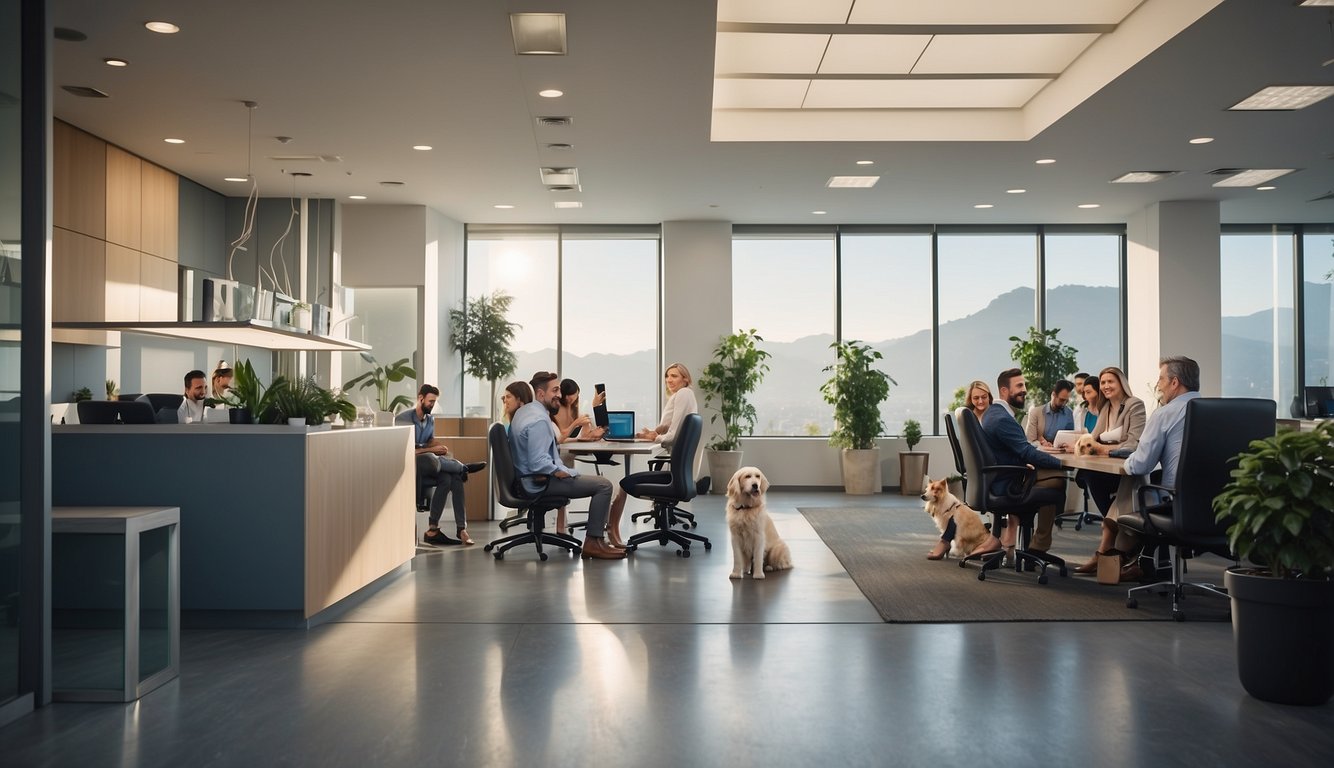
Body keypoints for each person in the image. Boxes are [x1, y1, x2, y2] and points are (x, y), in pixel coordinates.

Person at [1074, 356, 1202, 580]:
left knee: (1133, 480)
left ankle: (1117, 551)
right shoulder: (1214, 410)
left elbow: (1140, 463)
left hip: (1172, 501)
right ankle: (1129, 556)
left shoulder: (1164, 413)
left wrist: (1122, 456)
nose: (1158, 385)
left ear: (1175, 382)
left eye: (1161, 379)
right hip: (1212, 505)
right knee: (1105, 479)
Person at [510, 371, 624, 560]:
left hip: (526, 479)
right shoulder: (539, 420)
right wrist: (560, 471)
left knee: (584, 477)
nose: (560, 395)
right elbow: (538, 462)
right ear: (540, 394)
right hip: (538, 481)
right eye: (555, 390)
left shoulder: (525, 412)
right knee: (603, 485)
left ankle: (596, 541)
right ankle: (594, 543)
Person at [602, 363, 700, 547]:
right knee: (626, 482)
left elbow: (672, 435)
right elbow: (670, 426)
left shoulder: (683, 394)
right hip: (680, 478)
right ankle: (610, 531)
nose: (669, 380)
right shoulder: (686, 396)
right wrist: (652, 434)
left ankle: (611, 532)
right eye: (667, 376)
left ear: (685, 379)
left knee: (625, 484)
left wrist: (657, 437)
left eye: (674, 376)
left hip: (674, 480)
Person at [980, 368, 1066, 557]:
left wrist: (1040, 451)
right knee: (1058, 478)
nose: (1024, 389)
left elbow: (1019, 448)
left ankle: (1036, 544)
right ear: (1004, 391)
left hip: (1001, 477)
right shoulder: (1002, 419)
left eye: (1024, 385)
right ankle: (1038, 547)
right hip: (1008, 484)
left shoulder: (993, 414)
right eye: (1019, 385)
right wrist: (1061, 463)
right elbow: (1025, 451)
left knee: (1049, 478)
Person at [397, 384, 487, 546]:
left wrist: (439, 447)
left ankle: (454, 528)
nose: (432, 405)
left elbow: (429, 441)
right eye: (431, 401)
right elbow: (405, 451)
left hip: (429, 459)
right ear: (420, 398)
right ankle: (464, 467)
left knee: (450, 478)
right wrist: (431, 450)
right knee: (432, 459)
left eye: (434, 402)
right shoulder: (403, 419)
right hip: (412, 463)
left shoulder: (430, 420)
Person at [1081, 366, 1147, 514]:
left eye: (1110, 381)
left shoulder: (1135, 405)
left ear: (1121, 383)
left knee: (1092, 475)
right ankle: (1111, 519)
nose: (1105, 386)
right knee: (1088, 473)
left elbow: (1132, 444)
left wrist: (1102, 449)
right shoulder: (1105, 407)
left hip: (1125, 470)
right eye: (1103, 382)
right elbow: (1093, 438)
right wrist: (1076, 445)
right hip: (1106, 467)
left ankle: (1113, 521)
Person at [551, 378, 607, 533]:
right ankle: (561, 527)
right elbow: (560, 436)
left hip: (568, 451)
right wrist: (576, 424)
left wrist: (590, 430)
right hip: (559, 451)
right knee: (566, 486)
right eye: (567, 395)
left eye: (573, 395)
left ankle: (562, 526)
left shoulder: (574, 408)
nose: (570, 399)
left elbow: (582, 435)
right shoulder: (558, 409)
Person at [1024, 379, 1075, 447]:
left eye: (1066, 401)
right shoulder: (1036, 412)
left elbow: (1070, 440)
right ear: (1053, 395)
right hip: (1039, 453)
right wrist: (1042, 444)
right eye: (1062, 400)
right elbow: (1030, 440)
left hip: (1060, 454)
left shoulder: (1069, 414)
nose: (1064, 404)